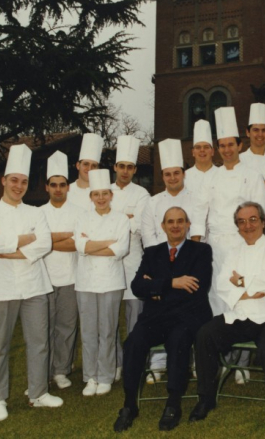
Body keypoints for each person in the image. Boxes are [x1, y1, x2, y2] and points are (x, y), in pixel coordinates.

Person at [189, 202, 265, 435]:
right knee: (205, 334)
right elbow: (222, 284)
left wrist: (241, 282)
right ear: (237, 227)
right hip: (241, 314)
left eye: (253, 219)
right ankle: (205, 398)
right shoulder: (233, 252)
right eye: (242, 221)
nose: (248, 225)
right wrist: (253, 289)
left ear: (263, 222)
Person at [0, 144, 62, 422]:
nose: (19, 186)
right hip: (0, 287)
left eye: (24, 182)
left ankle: (38, 393)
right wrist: (25, 240)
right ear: (4, 181)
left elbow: (45, 243)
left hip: (35, 286)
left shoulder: (36, 213)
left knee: (39, 341)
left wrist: (8, 249)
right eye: (14, 180)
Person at [113, 207, 213, 433]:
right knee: (133, 343)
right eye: (170, 222)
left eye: (180, 221)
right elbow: (138, 286)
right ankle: (129, 405)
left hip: (186, 316)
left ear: (188, 225)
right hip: (155, 317)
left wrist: (157, 286)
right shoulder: (152, 253)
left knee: (178, 342)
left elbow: (197, 288)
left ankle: (173, 403)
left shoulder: (201, 251)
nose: (175, 226)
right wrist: (173, 283)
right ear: (163, 226)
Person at [200, 107, 265, 385]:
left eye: (231, 144)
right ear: (218, 149)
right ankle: (220, 360)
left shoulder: (252, 175)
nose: (227, 150)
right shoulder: (210, 177)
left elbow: (259, 213)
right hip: (216, 247)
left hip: (242, 246)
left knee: (241, 299)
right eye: (222, 145)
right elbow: (201, 212)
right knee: (217, 300)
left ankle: (242, 362)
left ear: (240, 145)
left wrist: (252, 245)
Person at [140, 138, 208, 382]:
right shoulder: (153, 202)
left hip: (189, 268)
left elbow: (197, 235)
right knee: (158, 312)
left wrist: (186, 269)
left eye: (176, 173)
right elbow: (148, 237)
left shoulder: (197, 198)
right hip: (161, 268)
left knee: (189, 315)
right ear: (163, 175)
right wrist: (158, 273)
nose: (172, 177)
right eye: (167, 174)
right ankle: (158, 363)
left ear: (183, 173)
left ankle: (193, 362)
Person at [74, 169, 131, 397]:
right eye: (96, 194)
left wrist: (91, 245)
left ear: (111, 195)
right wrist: (107, 243)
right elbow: (81, 247)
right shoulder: (81, 218)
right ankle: (90, 377)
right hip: (85, 282)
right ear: (90, 197)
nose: (100, 198)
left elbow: (121, 249)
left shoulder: (121, 219)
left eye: (104, 194)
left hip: (111, 281)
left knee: (107, 330)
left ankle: (106, 376)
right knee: (88, 331)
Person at [41, 151, 84, 391]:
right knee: (43, 328)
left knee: (66, 327)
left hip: (71, 278)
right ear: (47, 187)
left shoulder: (79, 213)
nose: (58, 189)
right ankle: (43, 372)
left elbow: (78, 244)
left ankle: (61, 370)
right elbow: (35, 245)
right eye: (54, 185)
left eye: (62, 185)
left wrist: (46, 241)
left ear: (68, 187)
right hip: (43, 280)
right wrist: (65, 237)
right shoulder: (38, 213)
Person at [110, 135, 151, 381]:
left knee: (136, 316)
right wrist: (125, 219)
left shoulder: (142, 194)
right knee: (110, 316)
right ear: (115, 167)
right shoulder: (104, 191)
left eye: (130, 167)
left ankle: (137, 362)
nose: (125, 171)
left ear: (135, 170)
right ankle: (115, 362)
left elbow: (140, 225)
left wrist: (116, 222)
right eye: (121, 166)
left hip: (134, 258)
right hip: (109, 262)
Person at [67, 133, 104, 210]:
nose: (89, 168)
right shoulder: (67, 191)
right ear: (78, 165)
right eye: (86, 164)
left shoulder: (104, 193)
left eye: (93, 166)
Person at [184, 119, 218, 194]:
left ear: (212, 151)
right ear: (193, 152)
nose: (202, 150)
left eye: (206, 147)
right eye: (198, 147)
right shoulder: (185, 177)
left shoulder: (221, 174)